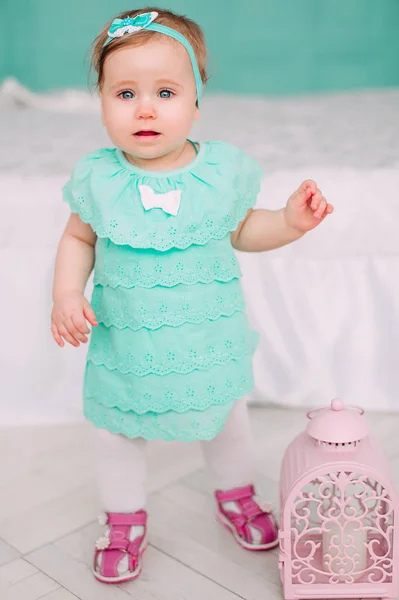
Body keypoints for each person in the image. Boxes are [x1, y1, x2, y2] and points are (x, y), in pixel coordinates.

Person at [51, 7, 334, 584]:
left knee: (227, 420)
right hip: (126, 347)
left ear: (197, 100)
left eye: (165, 91)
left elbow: (243, 231)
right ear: (101, 100)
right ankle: (124, 518)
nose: (146, 108)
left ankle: (237, 495)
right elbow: (78, 238)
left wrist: (287, 221)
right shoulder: (100, 179)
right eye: (125, 92)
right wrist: (64, 293)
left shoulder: (218, 174)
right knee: (117, 432)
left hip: (208, 342)